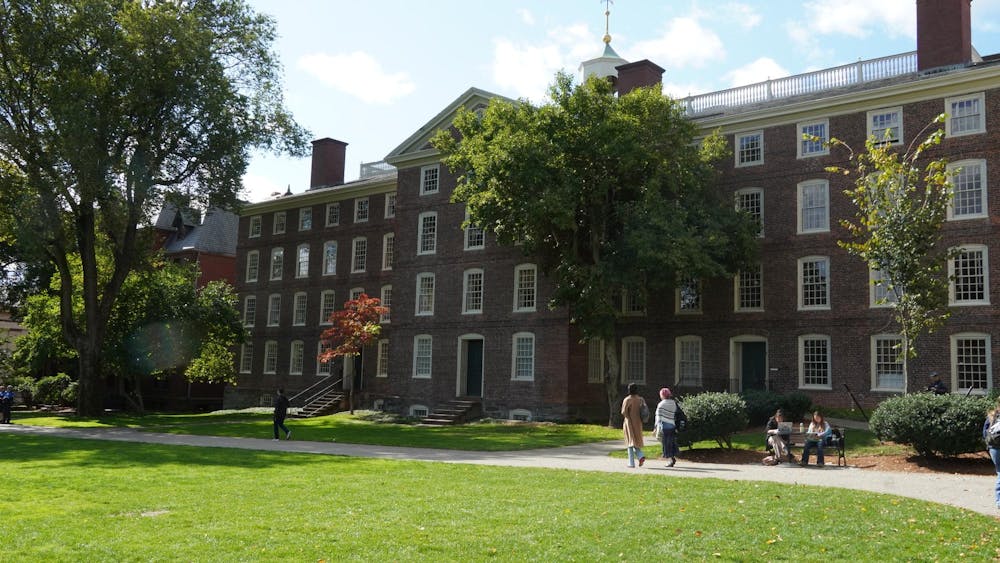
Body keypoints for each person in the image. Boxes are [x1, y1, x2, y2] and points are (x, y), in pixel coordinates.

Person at [620, 383, 646, 468]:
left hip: (629, 422)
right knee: (635, 442)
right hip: (638, 423)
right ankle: (640, 456)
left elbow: (623, 412)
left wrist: (628, 417)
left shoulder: (627, 399)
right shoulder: (641, 399)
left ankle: (631, 462)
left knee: (630, 442)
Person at [654, 387, 681, 467]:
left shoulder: (661, 404)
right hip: (672, 425)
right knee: (671, 442)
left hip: (664, 426)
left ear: (662, 395)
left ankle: (670, 459)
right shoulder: (673, 403)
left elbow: (658, 417)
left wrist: (655, 428)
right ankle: (673, 456)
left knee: (666, 444)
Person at [984, 398, 1000, 511]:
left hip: (993, 448)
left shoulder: (991, 415)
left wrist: (989, 445)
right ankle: (999, 501)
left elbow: (985, 432)